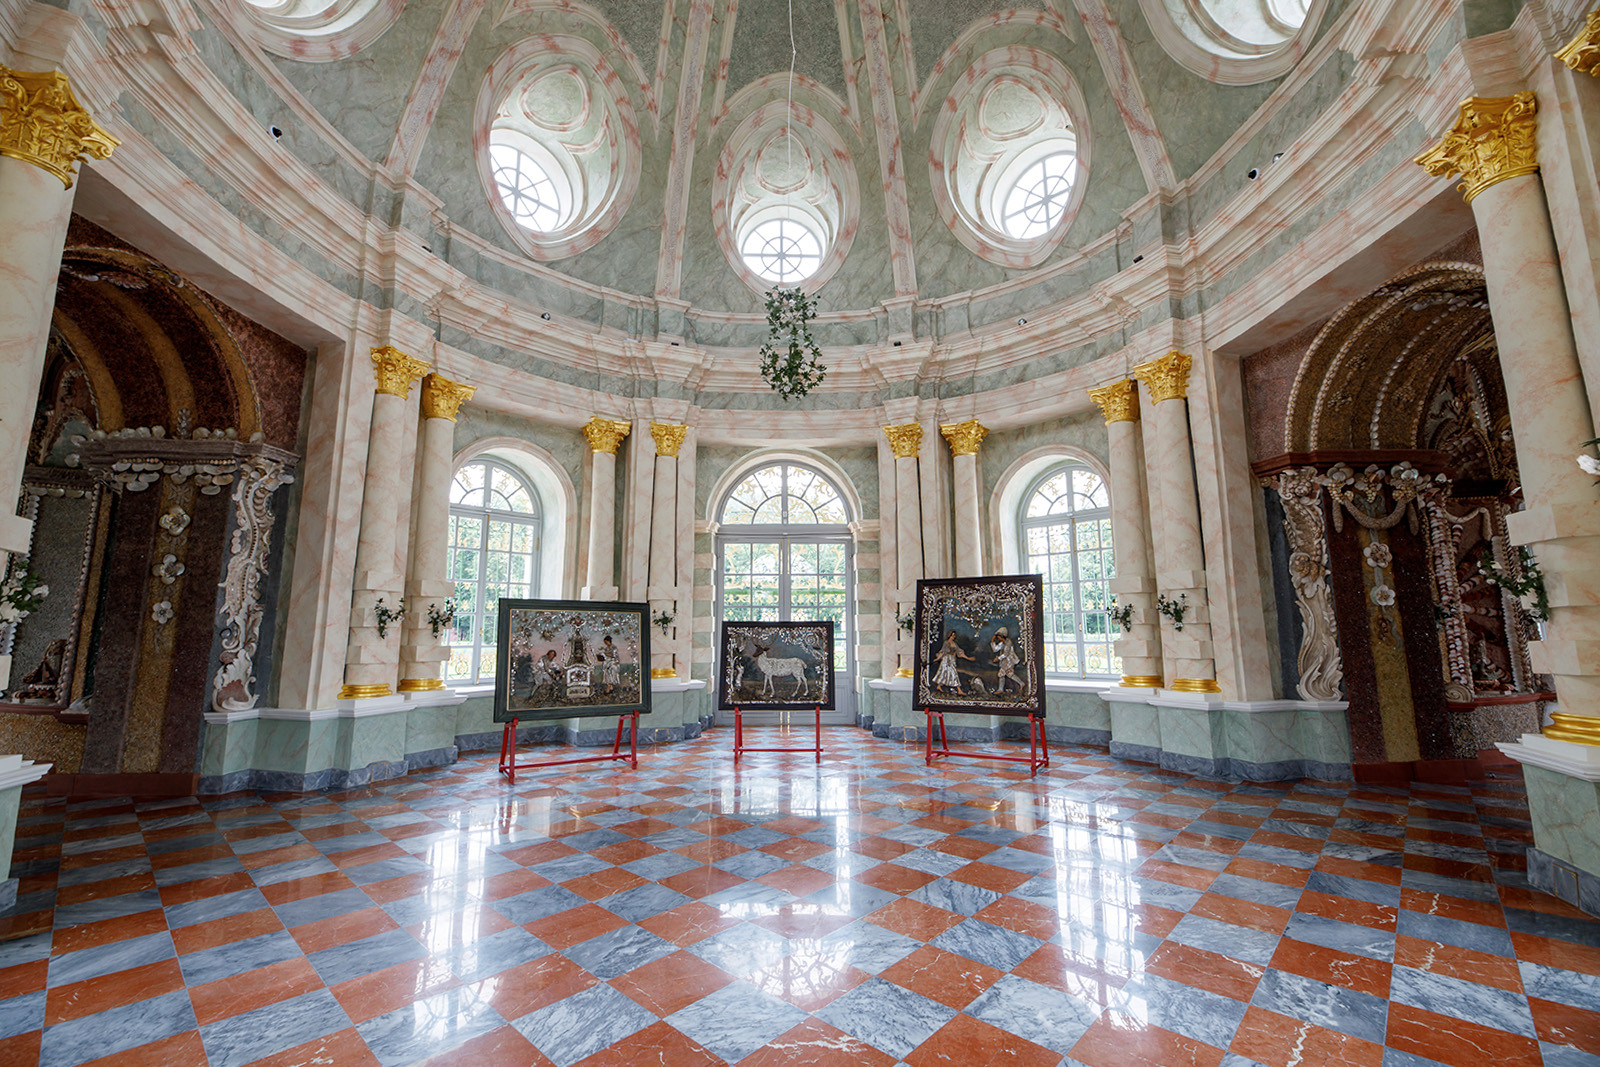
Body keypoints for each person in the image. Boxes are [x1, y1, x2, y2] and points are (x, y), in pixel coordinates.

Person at [991, 626, 1023, 695]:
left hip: (1009, 661)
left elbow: (1006, 654)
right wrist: (992, 642)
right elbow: (995, 649)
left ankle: (1001, 689)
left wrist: (998, 658)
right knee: (1006, 674)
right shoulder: (1002, 643)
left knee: (1004, 673)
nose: (997, 638)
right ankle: (1021, 683)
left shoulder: (1008, 642)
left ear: (1002, 636)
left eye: (998, 637)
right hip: (1005, 661)